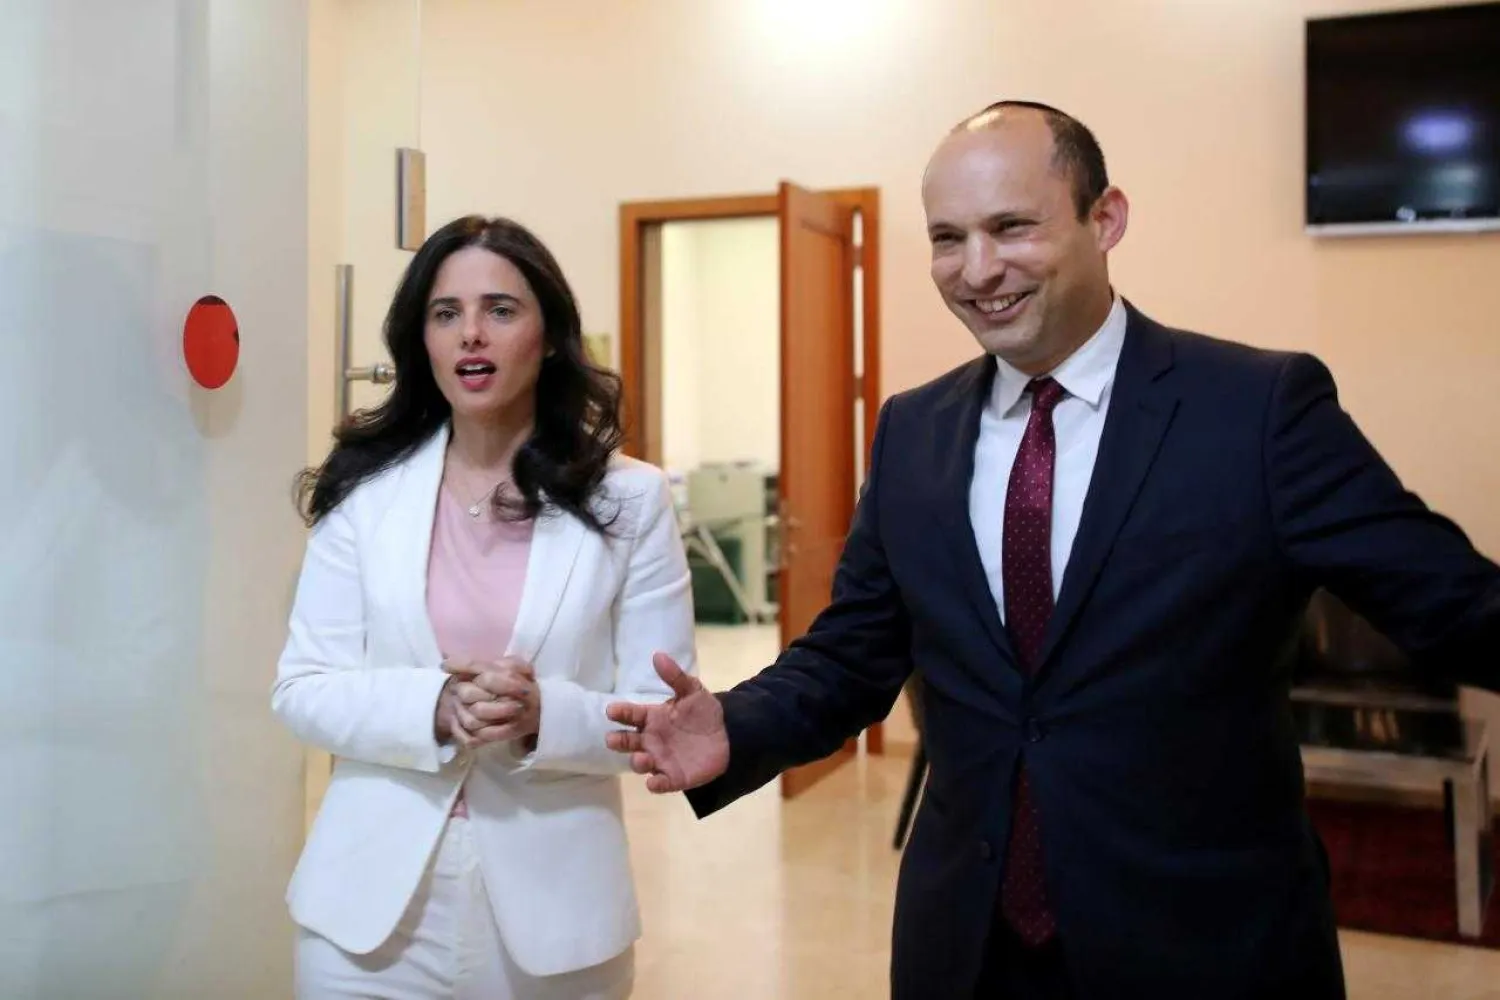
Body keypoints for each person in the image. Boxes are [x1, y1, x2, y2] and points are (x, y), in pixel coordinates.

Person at [604, 102, 1500, 999]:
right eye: (947, 238)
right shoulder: (912, 431)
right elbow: (855, 652)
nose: (978, 270)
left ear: (1104, 219)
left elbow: (1455, 605)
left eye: (1012, 227)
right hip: (969, 947)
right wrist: (739, 721)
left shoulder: (1258, 410)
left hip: (1206, 946)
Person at [273, 215, 695, 999]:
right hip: (365, 916)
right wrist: (432, 704)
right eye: (446, 314)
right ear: (421, 339)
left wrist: (544, 715)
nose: (472, 334)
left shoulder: (631, 499)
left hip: (558, 919)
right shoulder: (363, 494)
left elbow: (660, 711)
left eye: (501, 310)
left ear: (549, 335)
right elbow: (303, 688)